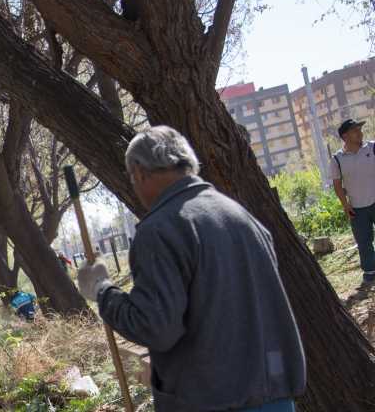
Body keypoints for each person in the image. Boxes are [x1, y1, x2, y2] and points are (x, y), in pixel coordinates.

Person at [77, 126, 305, 411]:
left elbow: (156, 328)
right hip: (274, 395)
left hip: (212, 400)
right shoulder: (241, 217)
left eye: (131, 179)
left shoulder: (160, 231)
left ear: (138, 172)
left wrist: (102, 290)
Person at [332, 119, 375, 287]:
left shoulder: (372, 148)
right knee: (364, 241)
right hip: (357, 207)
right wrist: (345, 204)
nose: (360, 132)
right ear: (345, 136)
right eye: (355, 130)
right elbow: (337, 184)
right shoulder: (337, 159)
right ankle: (370, 272)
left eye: (360, 129)